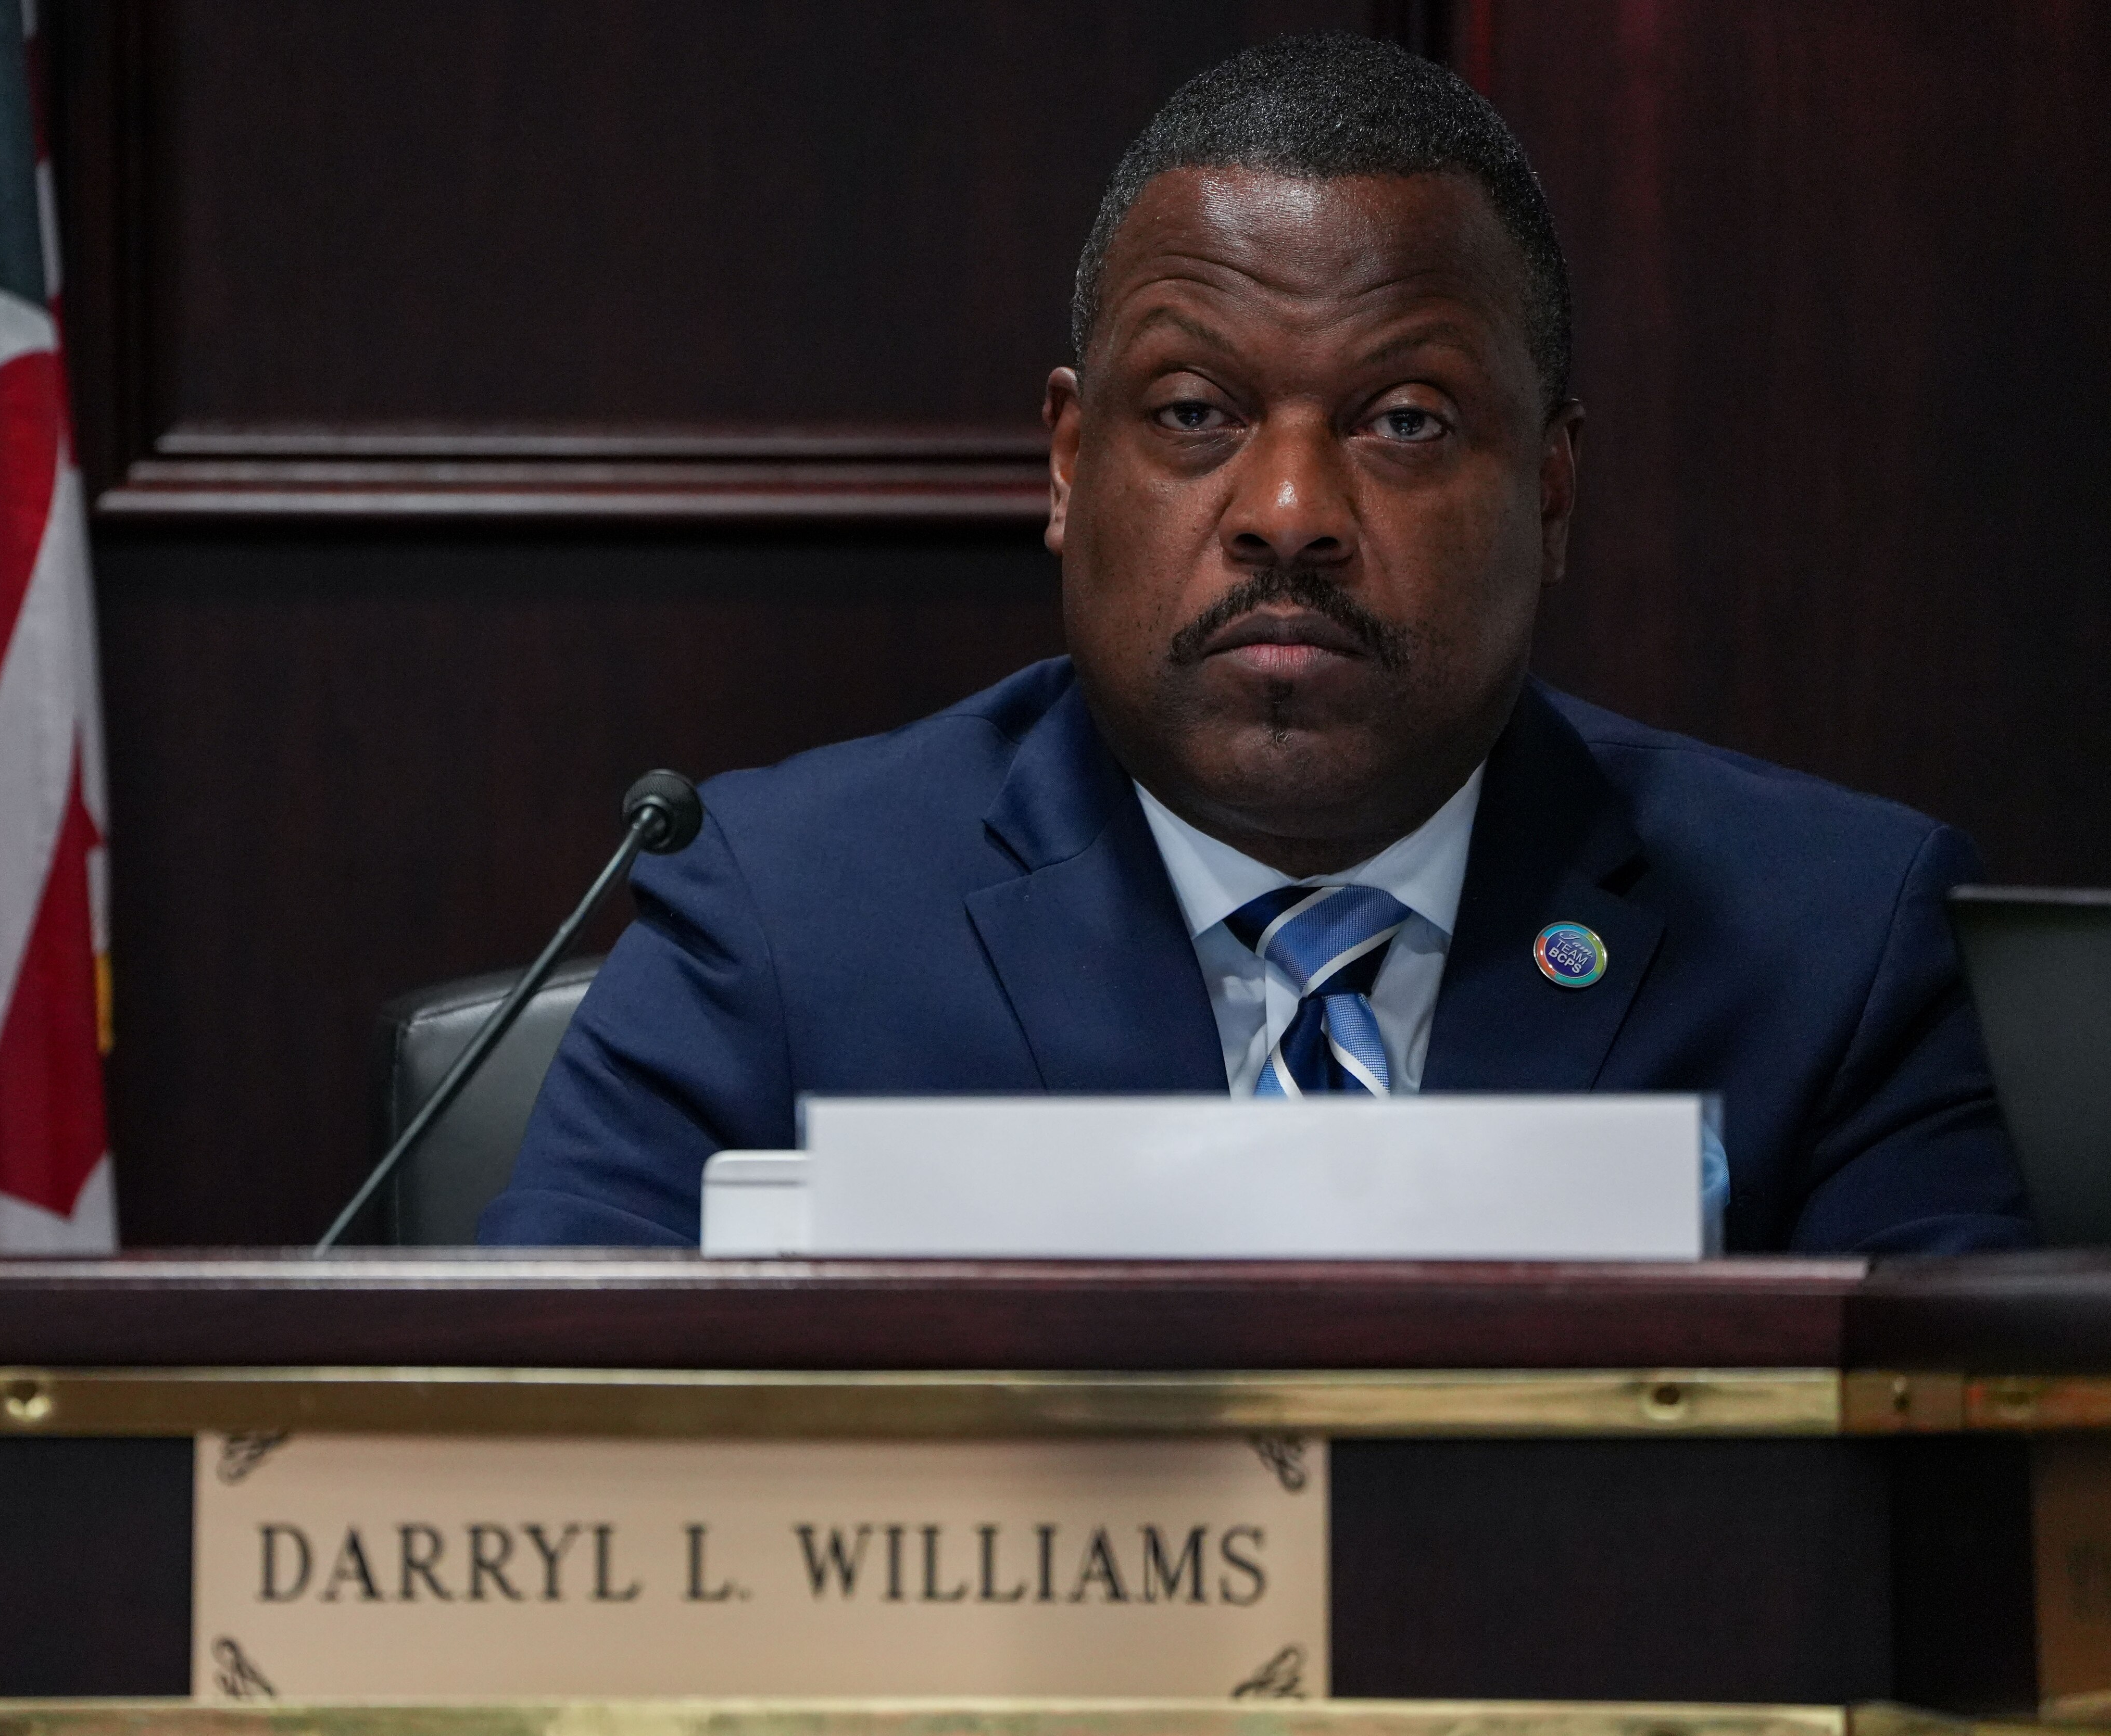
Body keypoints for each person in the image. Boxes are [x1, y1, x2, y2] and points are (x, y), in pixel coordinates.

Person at [478, 33, 2032, 1252]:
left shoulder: (1826, 944)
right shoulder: (786, 917)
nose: (1290, 511)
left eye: (1406, 419)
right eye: (1197, 414)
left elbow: (1971, 1555)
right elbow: (518, 1466)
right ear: (1071, 466)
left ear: (1552, 493)